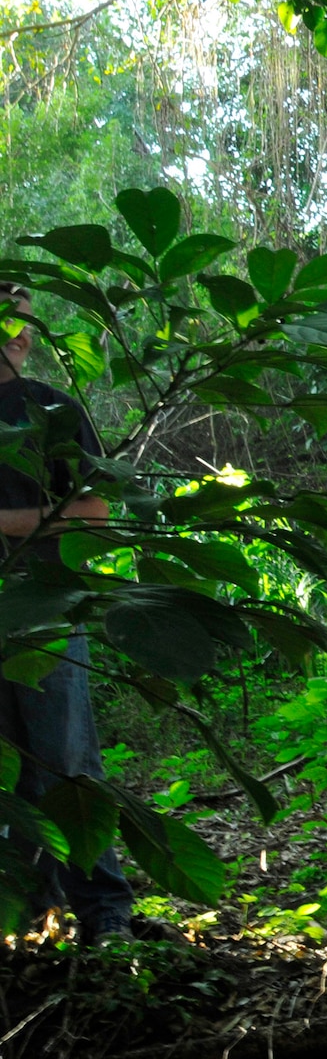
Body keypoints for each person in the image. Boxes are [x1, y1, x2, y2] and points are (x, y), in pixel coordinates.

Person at [0, 283, 131, 945]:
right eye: (7, 320)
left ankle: (103, 913)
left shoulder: (51, 407)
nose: (20, 334)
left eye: (25, 322)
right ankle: (24, 911)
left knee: (62, 756)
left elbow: (95, 512)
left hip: (47, 606)